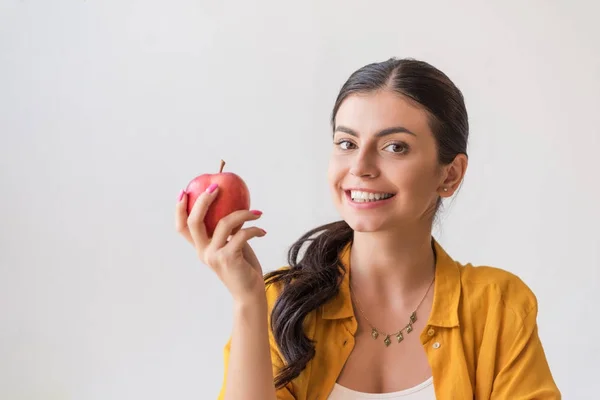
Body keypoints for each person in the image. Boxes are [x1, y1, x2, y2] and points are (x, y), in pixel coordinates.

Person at [175, 58, 561, 399]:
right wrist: (247, 300)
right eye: (346, 143)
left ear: (450, 174)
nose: (360, 166)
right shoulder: (282, 303)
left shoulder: (499, 305)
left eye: (395, 147)